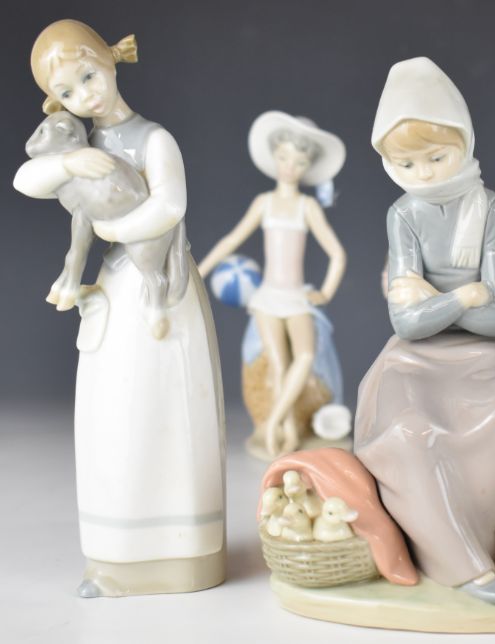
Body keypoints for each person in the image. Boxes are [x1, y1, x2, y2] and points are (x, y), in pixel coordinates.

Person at [13, 19, 225, 597]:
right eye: (67, 91)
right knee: (114, 414)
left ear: (109, 62)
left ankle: (186, 557)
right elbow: (26, 179)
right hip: (116, 287)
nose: (85, 96)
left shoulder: (154, 139)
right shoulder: (75, 144)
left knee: (165, 408)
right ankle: (116, 559)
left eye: (88, 76)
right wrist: (69, 165)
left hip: (159, 284)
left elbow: (170, 206)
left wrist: (112, 228)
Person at [354, 57, 495, 605]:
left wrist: (435, 299)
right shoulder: (403, 215)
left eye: (437, 157)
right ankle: (455, 562)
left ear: (463, 144)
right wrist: (467, 295)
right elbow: (406, 324)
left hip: (488, 356)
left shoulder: (488, 208)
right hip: (413, 360)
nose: (423, 174)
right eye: (406, 163)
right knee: (408, 432)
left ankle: (493, 545)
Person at [199, 112, 346, 459]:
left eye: (299, 162)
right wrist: (199, 270)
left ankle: (275, 422)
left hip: (296, 298)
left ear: (307, 167)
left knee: (305, 356)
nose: (289, 167)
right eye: (283, 158)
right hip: (267, 298)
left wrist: (325, 293)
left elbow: (338, 254)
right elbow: (231, 240)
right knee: (279, 362)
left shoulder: (307, 206)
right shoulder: (264, 203)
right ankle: (289, 432)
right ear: (274, 158)